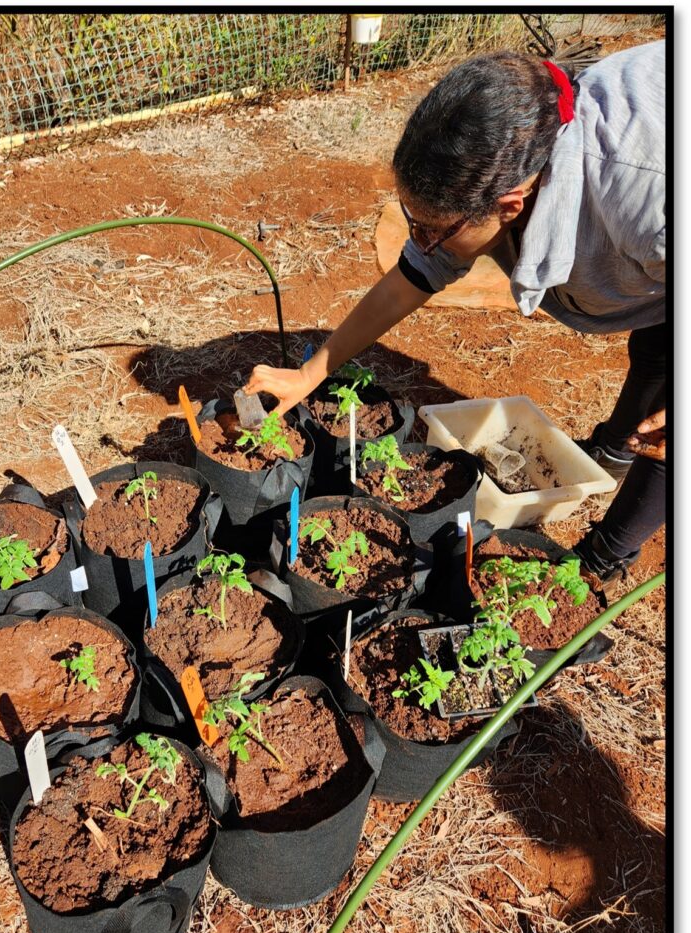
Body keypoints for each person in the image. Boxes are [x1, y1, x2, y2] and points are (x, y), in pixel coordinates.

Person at [245, 41, 666, 582]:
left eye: (432, 229)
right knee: (655, 342)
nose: (421, 240)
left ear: (510, 203)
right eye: (411, 220)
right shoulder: (503, 155)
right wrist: (310, 373)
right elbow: (408, 281)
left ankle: (608, 554)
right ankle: (613, 449)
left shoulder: (645, 196)